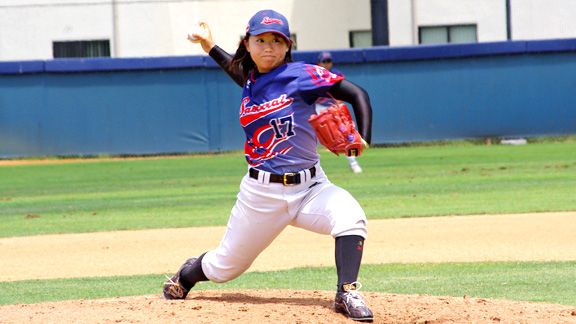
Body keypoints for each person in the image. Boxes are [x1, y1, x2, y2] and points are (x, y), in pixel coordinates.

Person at [163, 9, 374, 322]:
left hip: (311, 187)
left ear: (287, 46)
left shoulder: (302, 75)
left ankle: (347, 292)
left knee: (351, 217)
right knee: (225, 267)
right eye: (260, 40)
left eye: (277, 41)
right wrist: (209, 46)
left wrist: (364, 138)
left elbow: (357, 93)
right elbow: (238, 74)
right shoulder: (251, 81)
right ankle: (187, 274)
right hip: (260, 195)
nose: (268, 47)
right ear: (248, 44)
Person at [315, 51, 363, 174]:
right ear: (319, 62)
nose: (326, 64)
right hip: (317, 109)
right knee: (311, 138)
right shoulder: (314, 73)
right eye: (324, 61)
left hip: (333, 109)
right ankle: (313, 168)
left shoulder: (336, 74)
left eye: (328, 61)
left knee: (345, 134)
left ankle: (353, 163)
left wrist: (339, 105)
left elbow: (342, 92)